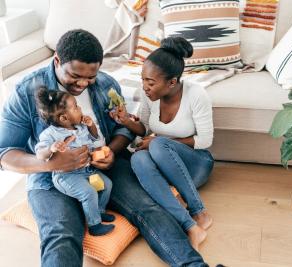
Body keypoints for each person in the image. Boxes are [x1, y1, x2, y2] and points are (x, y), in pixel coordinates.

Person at [0, 29, 208, 266]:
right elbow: (5, 152)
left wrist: (111, 151)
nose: (83, 83)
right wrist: (50, 163)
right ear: (57, 60)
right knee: (61, 233)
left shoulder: (106, 84)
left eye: (90, 77)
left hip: (104, 168)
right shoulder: (26, 91)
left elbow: (123, 129)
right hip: (50, 176)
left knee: (149, 209)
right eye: (75, 75)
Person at [109, 37, 214, 251]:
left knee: (157, 144)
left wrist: (160, 141)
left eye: (150, 82)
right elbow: (146, 129)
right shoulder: (150, 96)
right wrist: (127, 121)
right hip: (167, 167)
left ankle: (199, 210)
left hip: (197, 164)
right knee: (139, 157)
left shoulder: (196, 95)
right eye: (143, 79)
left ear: (172, 82)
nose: (145, 87)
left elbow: (205, 140)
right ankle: (190, 225)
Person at [35, 87, 115, 236]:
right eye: (76, 107)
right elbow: (40, 154)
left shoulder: (81, 127)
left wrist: (91, 126)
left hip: (86, 170)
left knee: (107, 185)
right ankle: (94, 225)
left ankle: (98, 212)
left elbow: (95, 140)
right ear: (64, 118)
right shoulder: (50, 134)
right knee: (89, 192)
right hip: (66, 176)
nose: (80, 108)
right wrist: (52, 148)